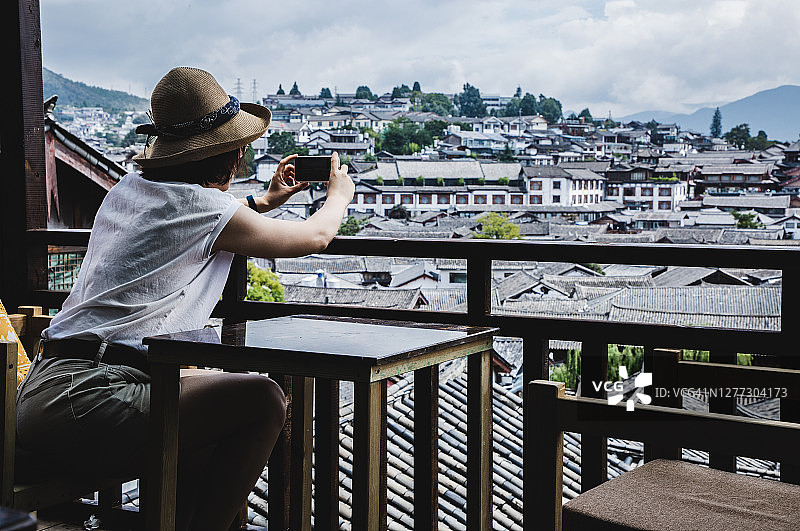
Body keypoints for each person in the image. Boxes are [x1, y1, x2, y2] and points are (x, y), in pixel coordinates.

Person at [15, 66, 354, 530]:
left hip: (45, 391)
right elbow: (315, 236)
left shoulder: (129, 189)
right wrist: (339, 195)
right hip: (94, 399)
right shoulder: (207, 210)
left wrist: (263, 202)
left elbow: (187, 223)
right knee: (265, 399)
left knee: (210, 411)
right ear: (227, 154)